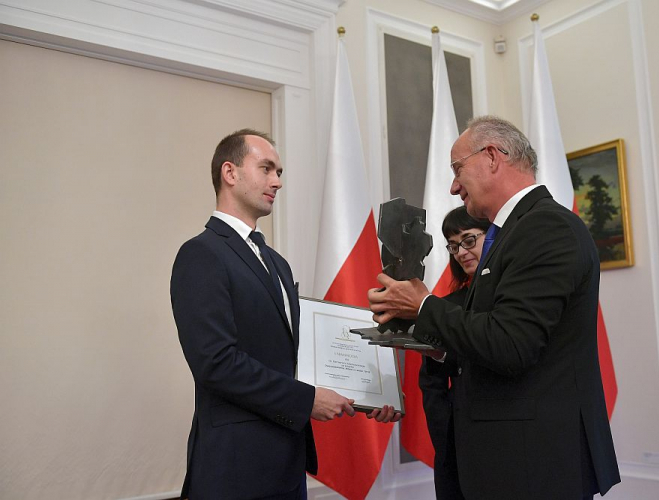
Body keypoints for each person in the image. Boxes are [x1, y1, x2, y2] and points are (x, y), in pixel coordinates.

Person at [369, 116, 620, 499]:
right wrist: (430, 339)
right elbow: (491, 333)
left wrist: (424, 307)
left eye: (457, 170)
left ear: (491, 157)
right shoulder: (515, 232)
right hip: (508, 458)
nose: (454, 187)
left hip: (532, 464)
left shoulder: (544, 228)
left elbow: (511, 345)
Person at [171, 129, 398, 500]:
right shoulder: (202, 254)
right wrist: (307, 400)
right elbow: (215, 362)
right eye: (267, 169)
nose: (277, 181)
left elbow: (294, 360)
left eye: (280, 172)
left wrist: (367, 393)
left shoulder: (276, 262)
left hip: (287, 464)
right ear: (230, 173)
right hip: (235, 468)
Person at [419, 206, 490, 500]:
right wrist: (447, 442)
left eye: (469, 240)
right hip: (457, 446)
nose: (461, 252)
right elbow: (432, 385)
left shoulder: (512, 298)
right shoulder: (444, 305)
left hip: (504, 443)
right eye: (453, 245)